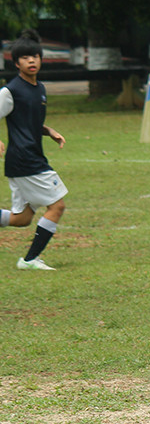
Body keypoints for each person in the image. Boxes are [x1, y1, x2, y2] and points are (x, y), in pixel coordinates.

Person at [0, 30, 68, 271]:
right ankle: (29, 260)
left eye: (35, 56)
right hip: (26, 159)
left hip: (26, 160)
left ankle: (29, 260)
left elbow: (27, 121)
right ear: (16, 62)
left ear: (41, 59)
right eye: (26, 57)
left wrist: (48, 131)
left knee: (22, 219)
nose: (32, 61)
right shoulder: (11, 91)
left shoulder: (39, 88)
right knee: (57, 206)